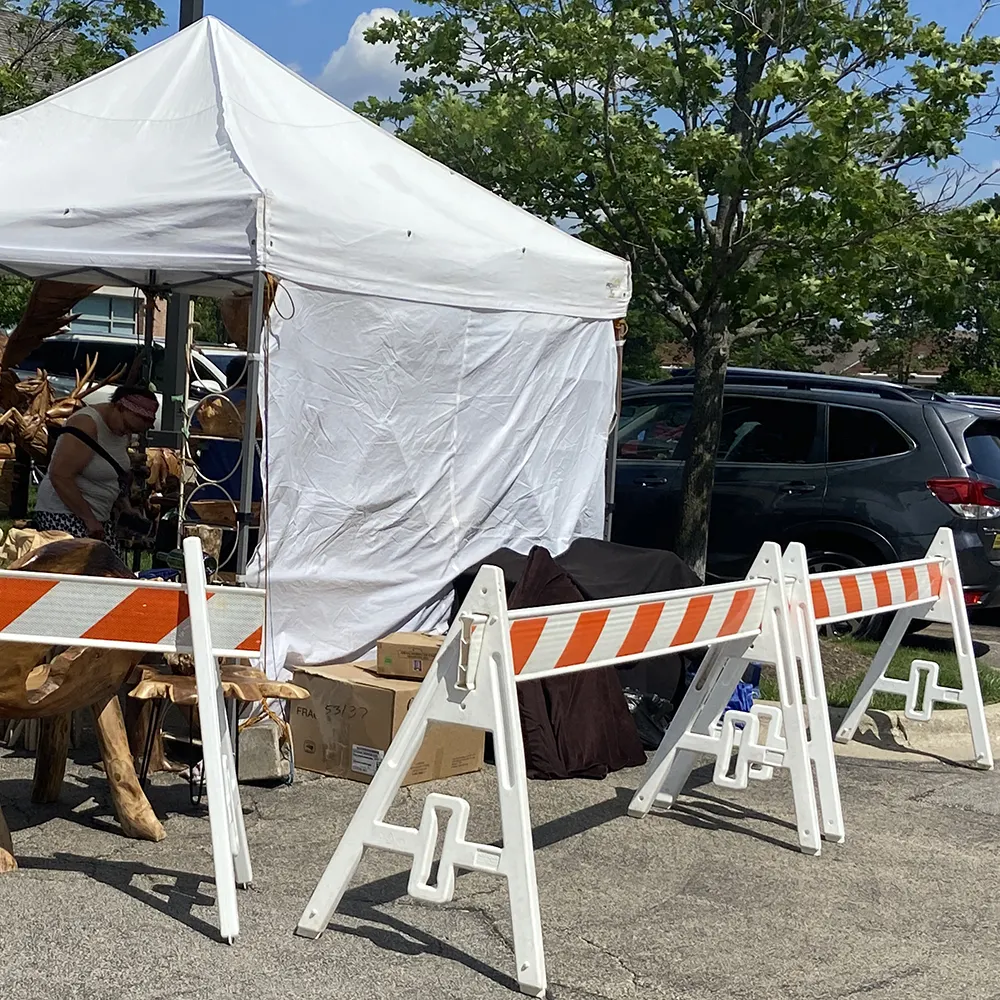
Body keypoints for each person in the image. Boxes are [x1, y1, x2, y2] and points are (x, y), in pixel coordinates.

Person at [34, 385, 159, 560]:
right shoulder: (86, 424)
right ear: (119, 407)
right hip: (64, 515)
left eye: (133, 431)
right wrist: (89, 519)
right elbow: (60, 475)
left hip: (99, 518)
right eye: (127, 426)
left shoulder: (121, 430)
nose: (127, 433)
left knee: (111, 574)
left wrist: (126, 508)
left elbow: (114, 473)